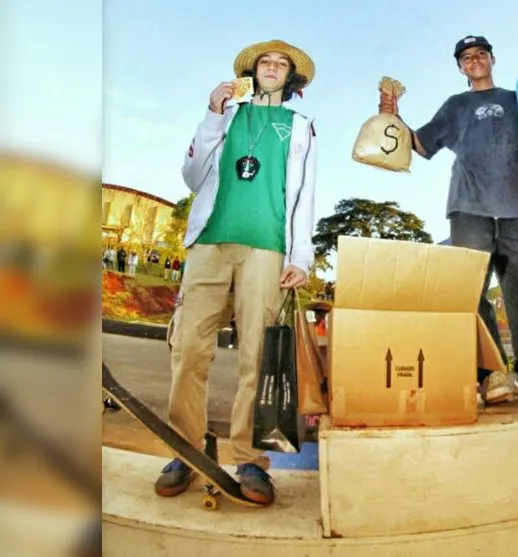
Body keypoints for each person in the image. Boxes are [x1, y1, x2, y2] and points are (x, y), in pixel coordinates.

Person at [155, 38, 317, 506]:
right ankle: (184, 451)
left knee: (257, 357)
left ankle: (249, 458)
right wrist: (210, 114)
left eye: (280, 63)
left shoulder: (301, 127)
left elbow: (304, 195)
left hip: (267, 249)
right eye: (264, 61)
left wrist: (300, 258)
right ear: (251, 72)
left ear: (291, 78)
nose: (271, 67)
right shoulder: (225, 116)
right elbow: (190, 175)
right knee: (188, 347)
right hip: (208, 243)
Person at [379, 35, 518, 403]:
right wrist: (393, 115)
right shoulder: (455, 106)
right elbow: (421, 144)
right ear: (461, 67)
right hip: (469, 208)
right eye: (467, 57)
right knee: (468, 291)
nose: (475, 60)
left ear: (492, 59)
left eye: (481, 53)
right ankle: (492, 373)